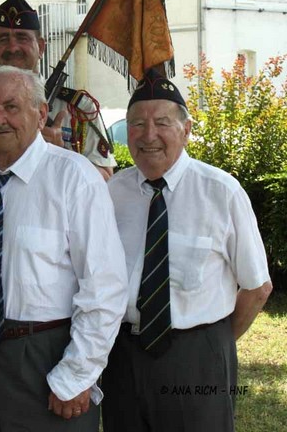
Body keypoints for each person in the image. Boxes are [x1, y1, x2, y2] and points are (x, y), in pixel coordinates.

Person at [0, 66, 128, 431]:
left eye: (11, 107)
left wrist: (76, 374)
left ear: (40, 114)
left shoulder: (75, 178)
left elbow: (104, 289)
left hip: (47, 356)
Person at [102, 68, 273, 432]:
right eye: (136, 124)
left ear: (186, 129)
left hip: (197, 354)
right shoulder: (111, 194)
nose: (149, 135)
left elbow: (257, 288)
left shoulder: (221, 192)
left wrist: (213, 345)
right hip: (120, 355)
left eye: (162, 122)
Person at [0, 0, 116, 179]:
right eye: (3, 39)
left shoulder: (78, 109)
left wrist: (62, 155)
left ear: (40, 47)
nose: (13, 47)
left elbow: (105, 176)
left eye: (22, 37)